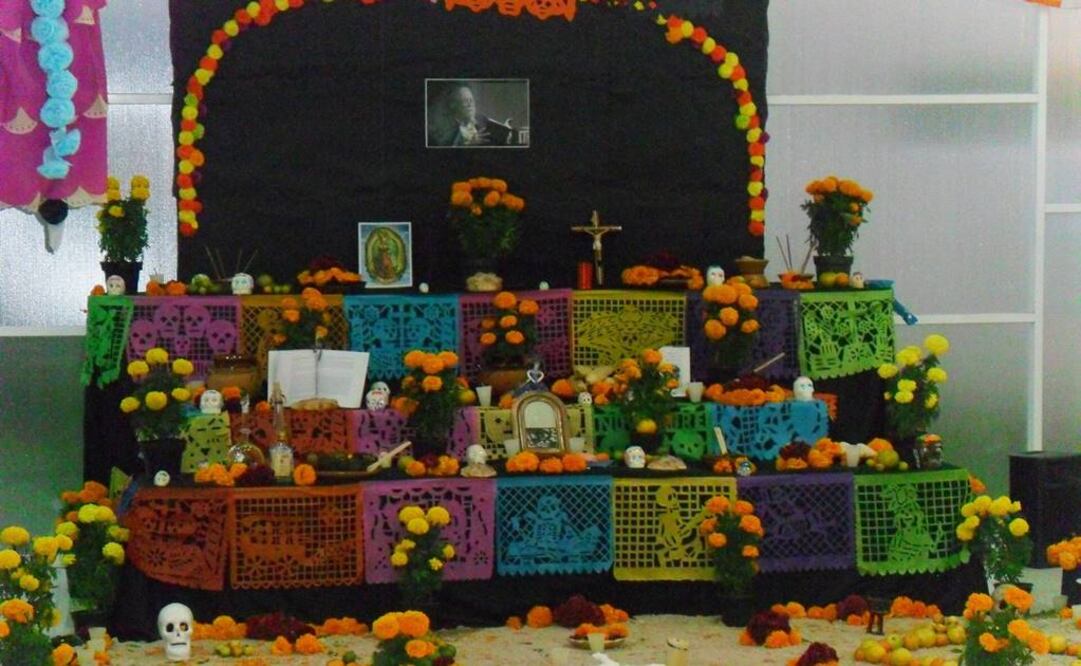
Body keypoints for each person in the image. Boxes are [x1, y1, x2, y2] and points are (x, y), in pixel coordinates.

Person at [428, 83, 515, 147]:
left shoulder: (481, 119)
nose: (470, 104)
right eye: (465, 101)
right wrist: (469, 145)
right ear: (453, 105)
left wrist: (505, 130)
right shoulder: (446, 128)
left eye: (471, 100)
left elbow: (496, 134)